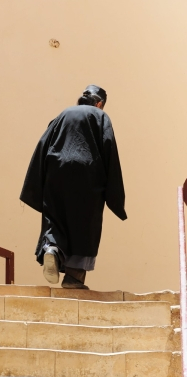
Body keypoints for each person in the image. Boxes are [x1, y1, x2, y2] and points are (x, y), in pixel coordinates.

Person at [20, 84, 127, 289]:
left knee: (56, 217)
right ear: (99, 103)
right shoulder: (99, 116)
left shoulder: (63, 114)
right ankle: (74, 278)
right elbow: (108, 149)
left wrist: (37, 183)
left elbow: (43, 144)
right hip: (88, 177)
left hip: (56, 171)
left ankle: (51, 249)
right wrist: (114, 194)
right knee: (85, 225)